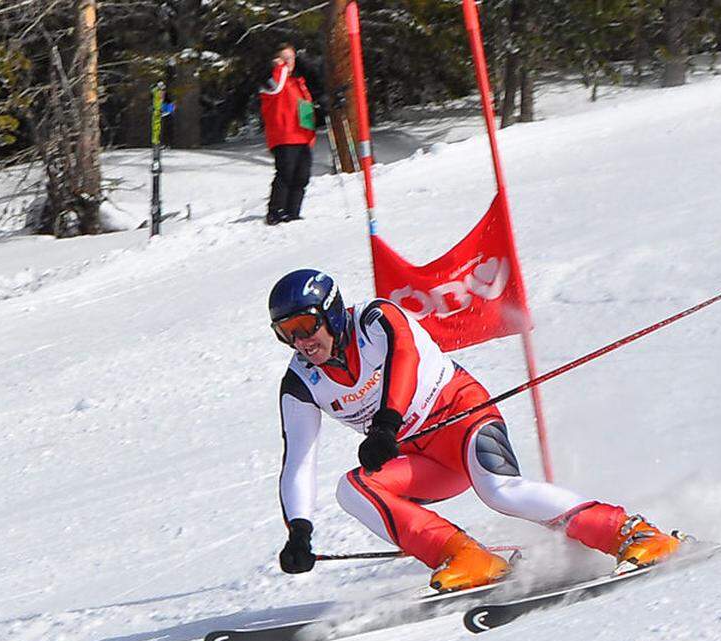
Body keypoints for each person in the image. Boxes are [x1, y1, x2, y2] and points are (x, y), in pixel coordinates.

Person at [270, 269, 686, 592]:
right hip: (421, 455)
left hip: (462, 415)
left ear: (332, 313)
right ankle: (467, 558)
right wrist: (300, 531)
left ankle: (632, 533)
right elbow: (299, 461)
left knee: (500, 490)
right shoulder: (301, 381)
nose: (302, 342)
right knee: (353, 489)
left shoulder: (376, 319)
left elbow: (406, 360)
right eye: (287, 334)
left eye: (306, 325)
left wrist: (385, 424)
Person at [259, 43, 316, 226]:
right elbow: (274, 87)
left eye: (291, 58)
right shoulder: (273, 78)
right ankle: (276, 212)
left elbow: (306, 109)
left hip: (302, 137)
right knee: (286, 173)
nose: (288, 62)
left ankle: (293, 212)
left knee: (302, 176)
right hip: (284, 135)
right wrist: (279, 67)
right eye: (284, 58)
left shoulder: (298, 82)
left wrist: (310, 132)